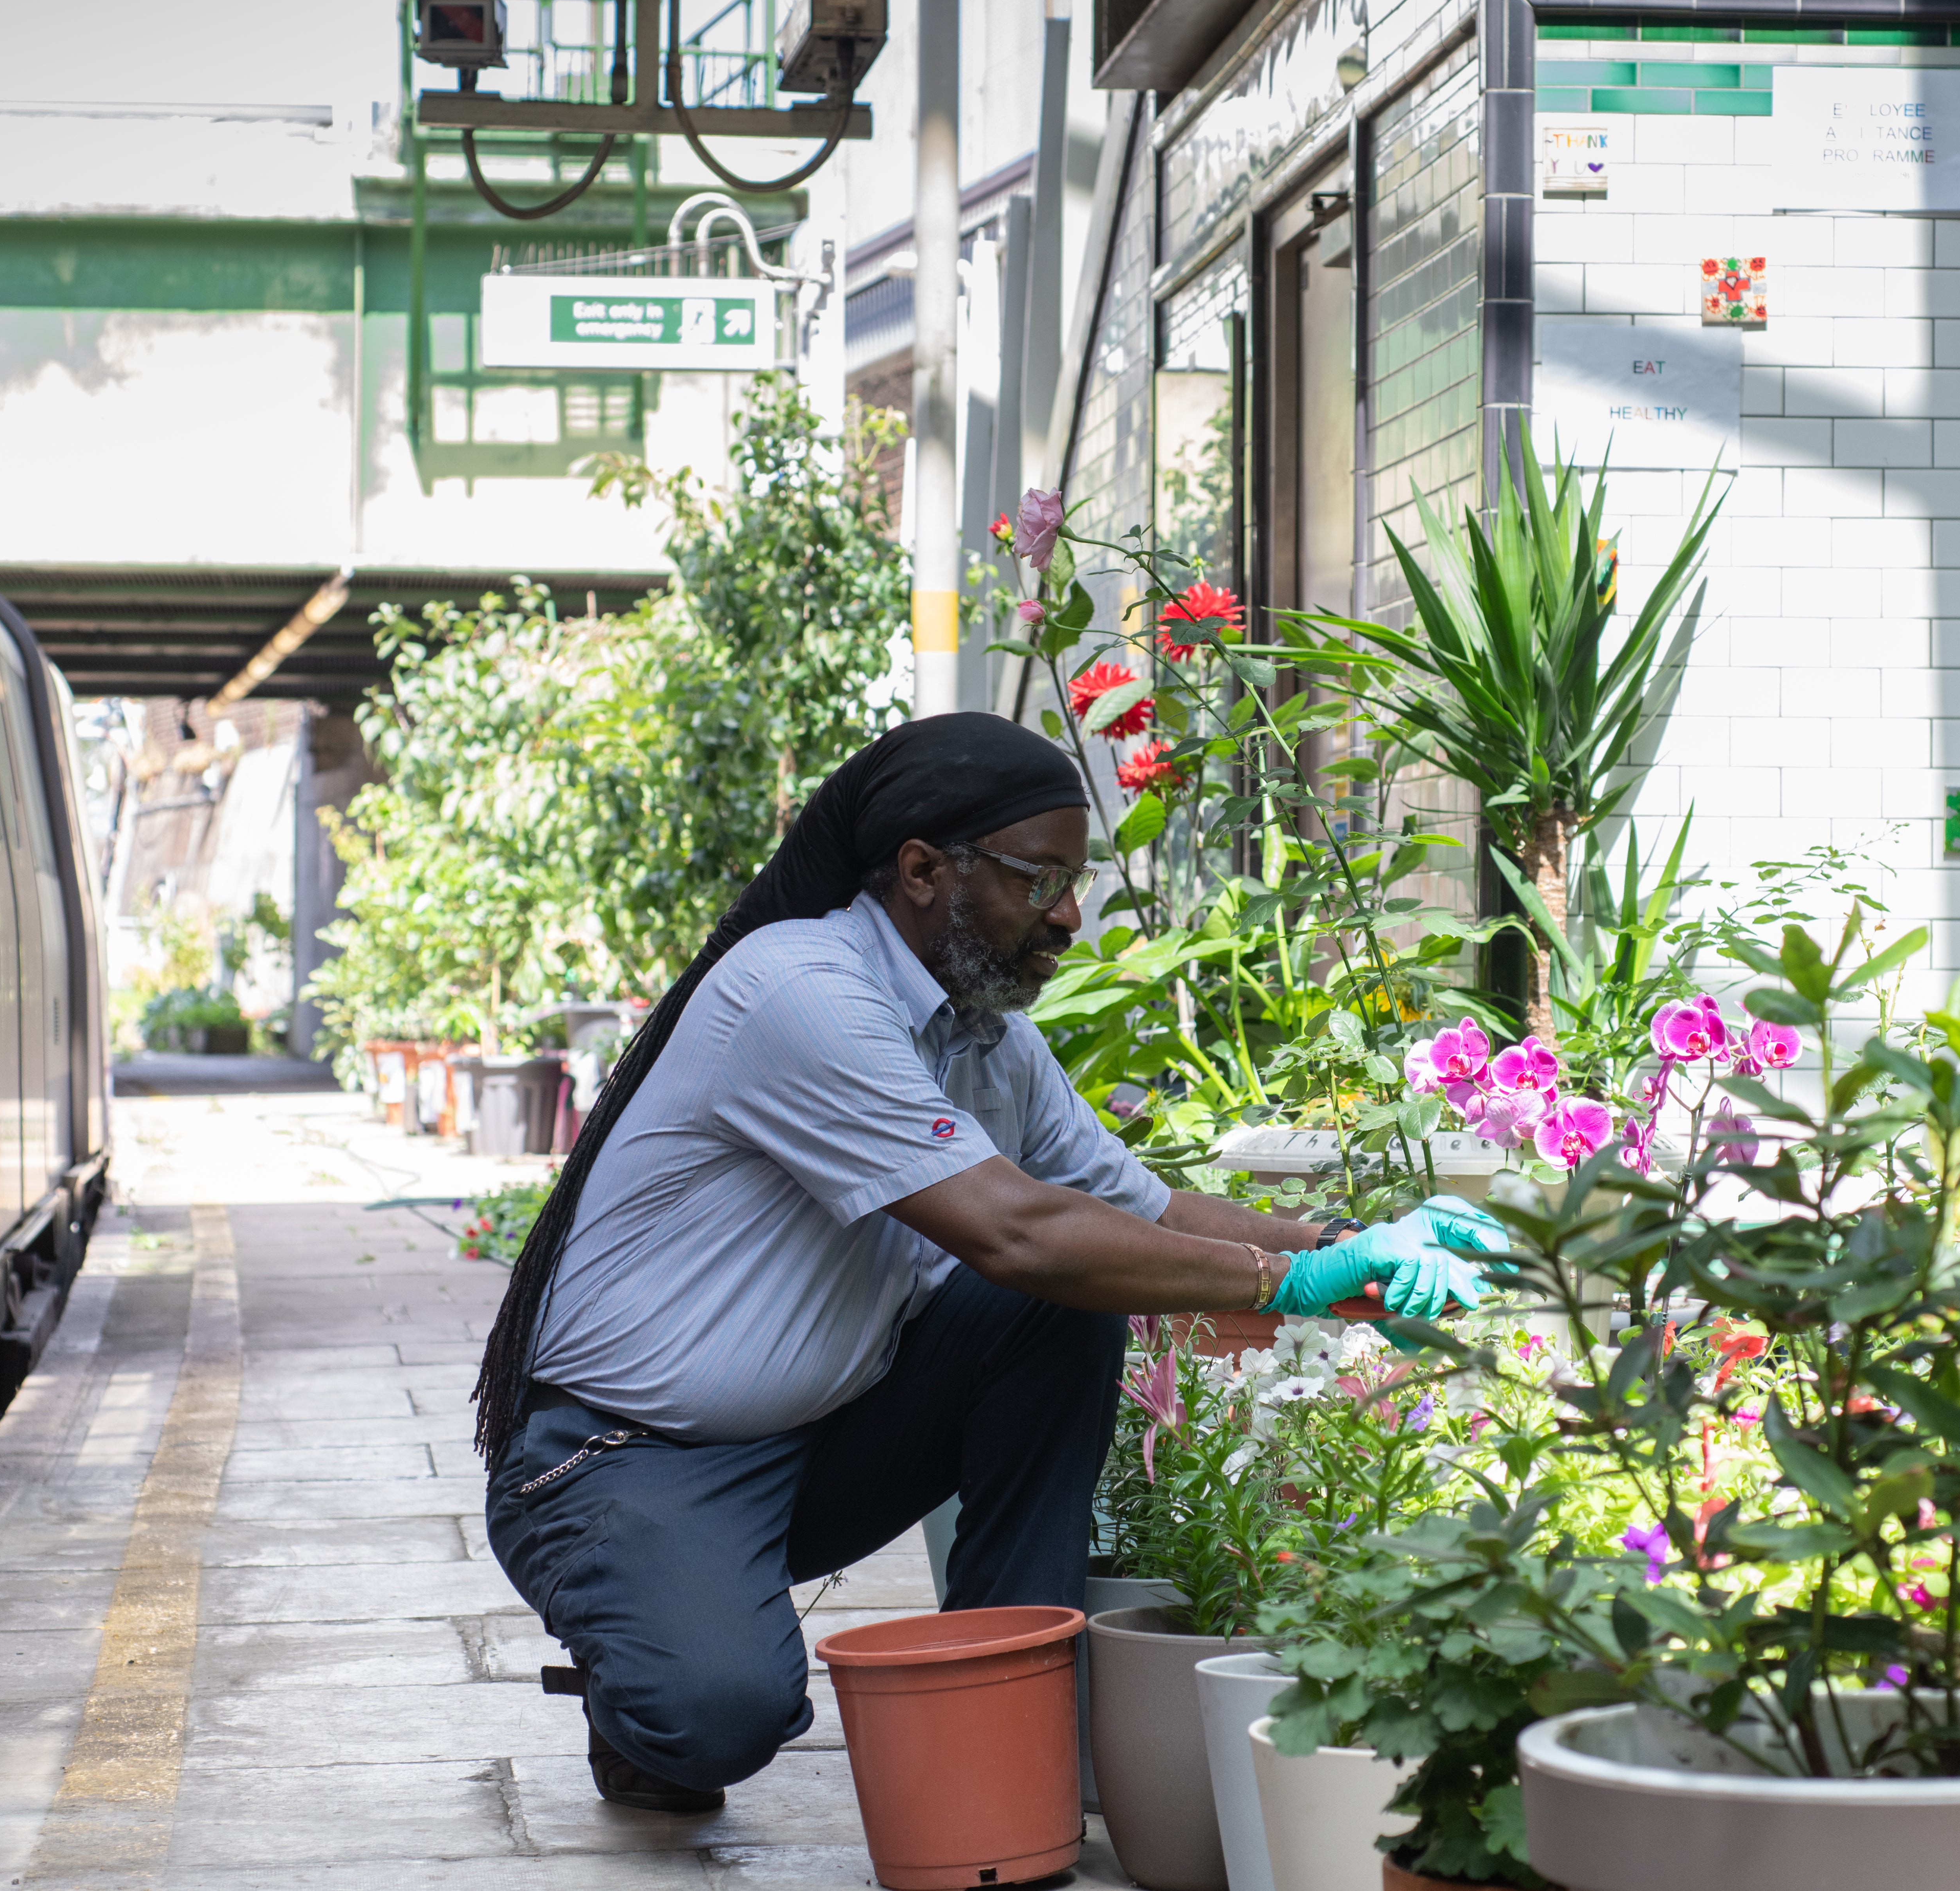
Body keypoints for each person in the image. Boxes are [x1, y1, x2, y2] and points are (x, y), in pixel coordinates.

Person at [472, 712, 1490, 1812]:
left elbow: (1138, 1209)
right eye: (1038, 878)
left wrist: (1344, 1250)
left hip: (815, 1445)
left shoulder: (988, 1041)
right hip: (626, 1459)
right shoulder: (801, 992)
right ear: (922, 871)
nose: (1068, 915)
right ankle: (639, 1679)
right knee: (719, 1713)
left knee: (1057, 1317)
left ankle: (996, 1712)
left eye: (1075, 880)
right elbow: (1020, 1231)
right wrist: (1279, 1288)